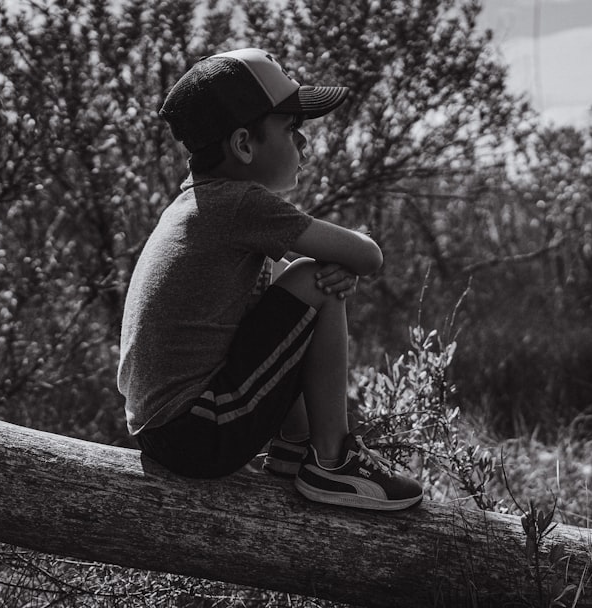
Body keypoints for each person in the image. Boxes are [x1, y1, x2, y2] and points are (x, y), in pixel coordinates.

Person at [117, 48, 422, 511]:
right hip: (199, 431)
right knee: (314, 279)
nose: (304, 143)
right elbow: (368, 254)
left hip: (169, 430)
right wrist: (335, 271)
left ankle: (293, 450)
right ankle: (332, 461)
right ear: (244, 145)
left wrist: (330, 273)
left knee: (296, 285)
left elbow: (277, 308)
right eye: (291, 129)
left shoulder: (197, 206)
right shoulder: (241, 204)